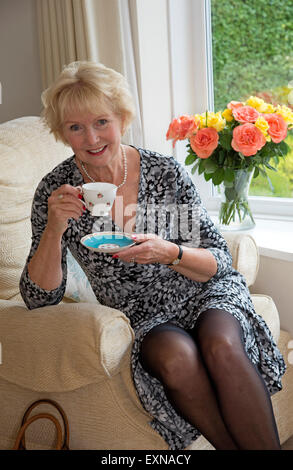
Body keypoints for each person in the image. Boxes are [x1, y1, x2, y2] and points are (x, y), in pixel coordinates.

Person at [20, 61, 286, 451]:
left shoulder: (165, 172)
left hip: (202, 291)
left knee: (221, 346)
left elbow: (218, 261)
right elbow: (36, 298)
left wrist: (170, 252)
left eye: (101, 122)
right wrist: (54, 228)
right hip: (143, 314)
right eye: (75, 127)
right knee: (176, 360)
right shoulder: (55, 192)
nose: (91, 138)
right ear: (62, 132)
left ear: (122, 119)